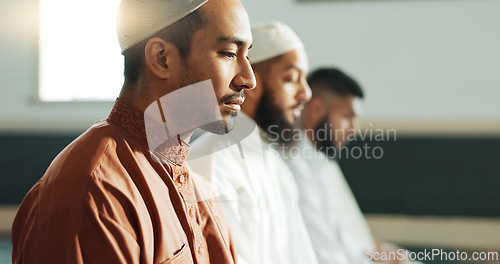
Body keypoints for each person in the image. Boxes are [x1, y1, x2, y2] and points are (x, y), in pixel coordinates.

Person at [11, 0, 256, 263]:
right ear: (161, 58)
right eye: (229, 53)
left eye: (247, 55)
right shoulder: (95, 190)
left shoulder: (199, 189)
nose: (248, 79)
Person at [188, 22, 318, 264]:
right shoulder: (212, 165)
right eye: (291, 78)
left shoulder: (272, 160)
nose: (305, 93)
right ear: (253, 83)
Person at [283, 67, 375, 264]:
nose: (354, 130)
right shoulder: (293, 164)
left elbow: (341, 241)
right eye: (347, 117)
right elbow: (326, 256)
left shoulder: (319, 162)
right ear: (316, 109)